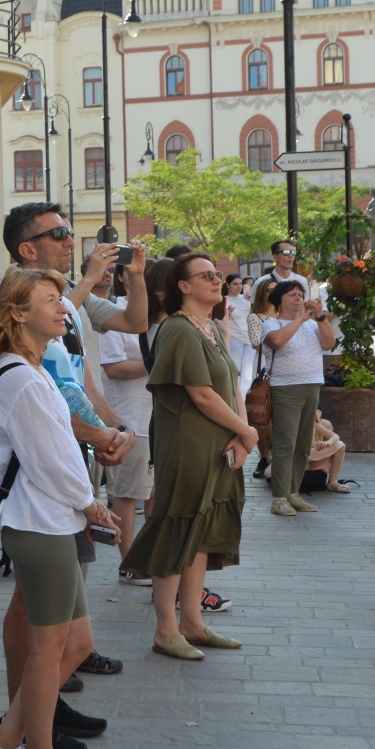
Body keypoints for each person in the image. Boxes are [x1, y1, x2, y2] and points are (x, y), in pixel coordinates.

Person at [0, 268, 122, 749]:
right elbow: (51, 459)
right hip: (40, 523)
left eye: (62, 299)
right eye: (50, 300)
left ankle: (4, 746)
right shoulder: (20, 376)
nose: (63, 307)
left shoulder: (30, 369)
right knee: (48, 650)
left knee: (75, 643)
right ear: (18, 313)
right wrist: (91, 504)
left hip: (52, 521)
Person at [120, 252, 252, 660]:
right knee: (177, 528)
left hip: (217, 443)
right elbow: (201, 394)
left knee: (201, 530)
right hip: (188, 444)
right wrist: (248, 432)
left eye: (217, 274)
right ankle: (166, 630)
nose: (216, 280)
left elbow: (231, 386)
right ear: (183, 286)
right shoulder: (177, 328)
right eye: (206, 275)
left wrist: (243, 434)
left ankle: (192, 623)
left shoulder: (210, 326)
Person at [260, 279, 336, 516]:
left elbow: (329, 343)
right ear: (279, 300)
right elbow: (277, 341)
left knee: (303, 445)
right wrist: (300, 319)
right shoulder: (272, 323)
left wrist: (320, 316)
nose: (298, 298)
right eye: (292, 294)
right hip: (285, 388)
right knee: (285, 444)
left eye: (300, 294)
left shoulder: (312, 323)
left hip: (311, 386)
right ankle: (279, 497)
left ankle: (293, 492)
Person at [97, 267, 153, 564]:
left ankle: (154, 558)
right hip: (131, 418)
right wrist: (159, 363)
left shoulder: (160, 316)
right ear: (121, 277)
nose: (142, 277)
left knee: (156, 493)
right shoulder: (113, 313)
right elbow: (114, 368)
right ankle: (129, 561)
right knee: (129, 493)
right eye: (133, 272)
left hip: (160, 416)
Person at [223, 274, 256, 402]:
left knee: (248, 375)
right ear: (228, 285)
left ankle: (240, 402)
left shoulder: (247, 299)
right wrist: (227, 313)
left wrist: (251, 300)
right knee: (235, 372)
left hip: (249, 339)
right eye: (235, 284)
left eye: (240, 284)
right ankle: (235, 403)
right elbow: (218, 320)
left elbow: (256, 314)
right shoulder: (224, 300)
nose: (238, 286)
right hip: (234, 338)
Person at [306, 412, 351, 492]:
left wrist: (327, 443)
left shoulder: (314, 424)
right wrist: (312, 444)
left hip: (311, 457)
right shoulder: (292, 424)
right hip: (298, 458)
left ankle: (332, 482)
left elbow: (335, 436)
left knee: (339, 445)